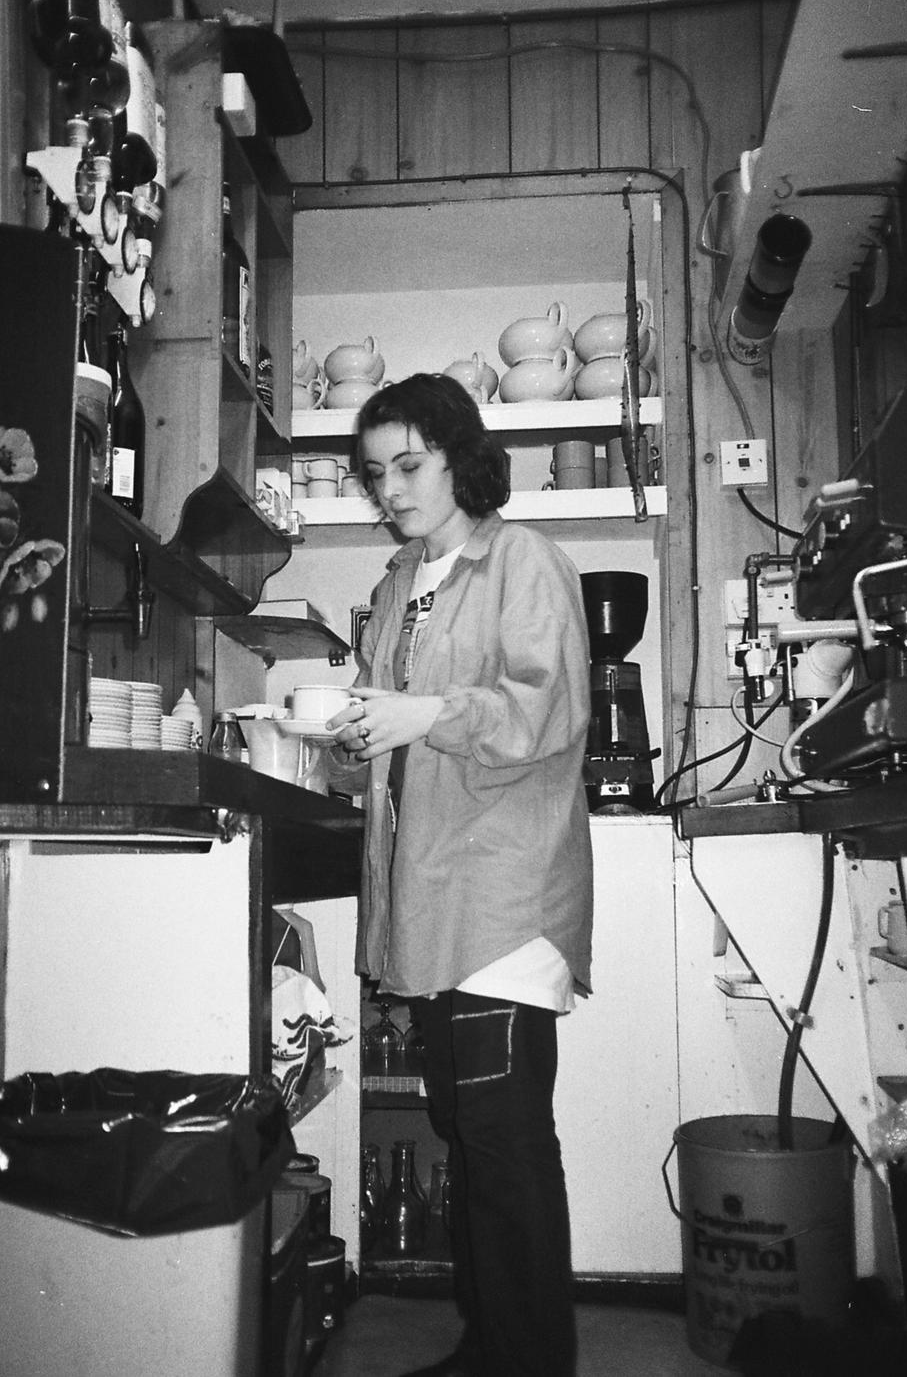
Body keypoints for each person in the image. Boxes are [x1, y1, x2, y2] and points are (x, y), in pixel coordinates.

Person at [326, 373, 593, 1377]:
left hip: (503, 890)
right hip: (431, 893)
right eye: (373, 474)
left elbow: (541, 708)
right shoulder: (398, 583)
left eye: (407, 465)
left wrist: (425, 715)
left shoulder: (522, 559)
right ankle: (493, 1346)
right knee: (466, 1127)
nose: (389, 489)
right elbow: (389, 724)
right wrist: (351, 730)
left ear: (457, 458)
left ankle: (528, 1360)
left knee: (502, 1135)